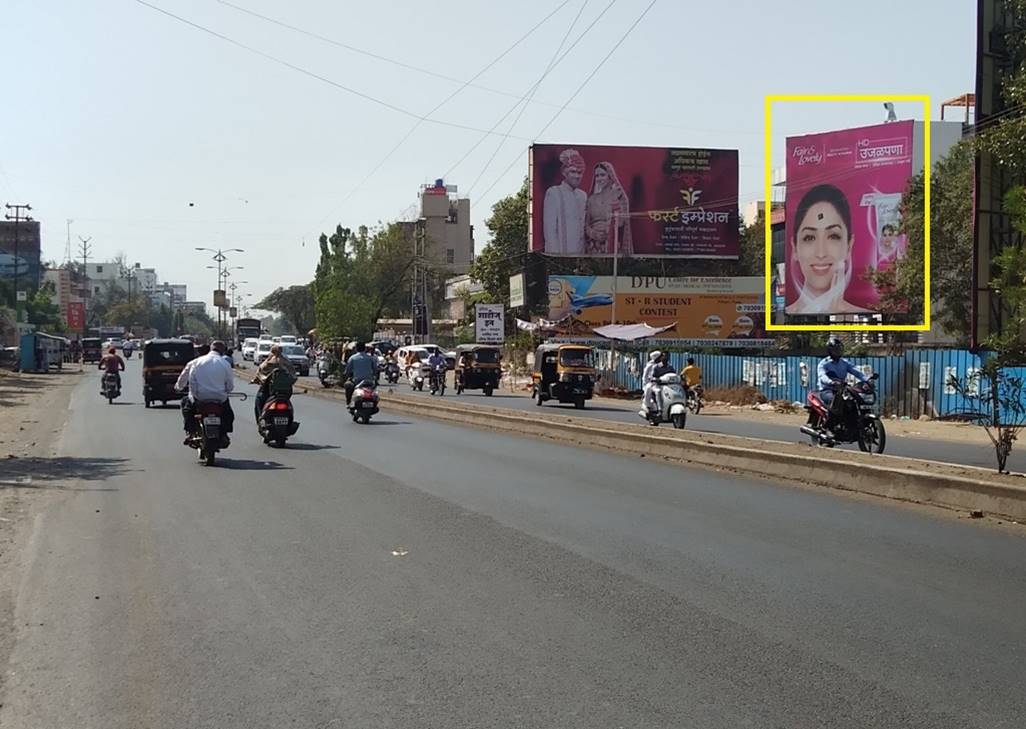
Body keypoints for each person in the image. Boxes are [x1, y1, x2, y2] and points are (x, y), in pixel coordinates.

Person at [785, 184, 871, 315]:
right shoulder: (783, 317)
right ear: (795, 248)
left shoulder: (868, 316)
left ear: (849, 245)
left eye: (833, 236)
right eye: (809, 238)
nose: (821, 253)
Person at [176, 340, 235, 442]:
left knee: (187, 409)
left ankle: (191, 432)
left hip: (200, 398)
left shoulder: (196, 362)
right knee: (228, 414)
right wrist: (224, 392)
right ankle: (224, 433)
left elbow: (189, 379)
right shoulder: (225, 364)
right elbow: (229, 386)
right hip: (219, 398)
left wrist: (179, 388)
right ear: (223, 351)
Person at [816, 336, 868, 430]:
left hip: (842, 389)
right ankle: (829, 427)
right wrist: (831, 382)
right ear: (830, 351)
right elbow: (822, 376)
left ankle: (851, 424)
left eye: (839, 349)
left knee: (852, 402)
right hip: (827, 390)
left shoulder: (844, 362)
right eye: (836, 350)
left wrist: (866, 380)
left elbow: (856, 371)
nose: (838, 352)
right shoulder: (824, 363)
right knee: (836, 402)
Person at [542, 148, 587, 254]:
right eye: (573, 172)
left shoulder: (582, 195)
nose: (577, 176)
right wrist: (555, 255)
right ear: (564, 172)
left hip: (580, 255)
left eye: (580, 172)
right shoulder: (554, 193)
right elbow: (550, 229)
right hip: (560, 254)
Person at [584, 161, 633, 255]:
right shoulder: (591, 199)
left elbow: (621, 223)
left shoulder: (619, 196)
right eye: (597, 176)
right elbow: (586, 225)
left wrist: (614, 199)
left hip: (612, 245)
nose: (599, 179)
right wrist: (594, 234)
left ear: (610, 176)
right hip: (593, 246)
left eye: (602, 175)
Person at [252, 344, 296, 420]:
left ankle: (260, 419)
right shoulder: (287, 362)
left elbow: (260, 372)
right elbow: (293, 375)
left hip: (269, 392)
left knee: (258, 401)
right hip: (286, 393)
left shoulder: (269, 362)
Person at [343, 341, 378, 405]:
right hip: (369, 381)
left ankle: (348, 403)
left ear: (356, 349)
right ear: (365, 348)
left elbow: (347, 371)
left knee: (347, 385)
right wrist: (375, 378)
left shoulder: (353, 358)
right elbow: (375, 370)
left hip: (356, 381)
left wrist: (346, 376)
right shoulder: (370, 358)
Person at [639, 351, 664, 416]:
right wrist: (645, 384)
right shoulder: (650, 365)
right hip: (652, 383)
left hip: (661, 382)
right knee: (648, 389)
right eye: (660, 357)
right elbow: (645, 376)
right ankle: (648, 406)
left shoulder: (662, 364)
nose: (661, 358)